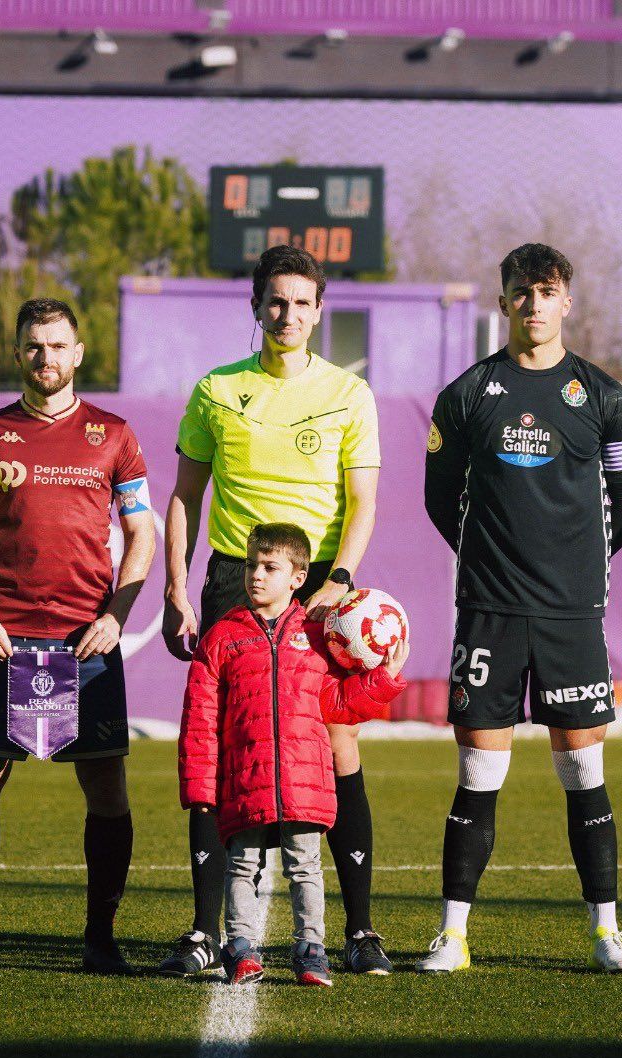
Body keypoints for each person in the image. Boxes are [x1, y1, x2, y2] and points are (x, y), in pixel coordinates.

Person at [161, 244, 392, 978]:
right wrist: (174, 585)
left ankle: (358, 931)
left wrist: (340, 581)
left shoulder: (349, 395)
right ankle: (205, 933)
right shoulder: (216, 390)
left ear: (319, 311)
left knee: (334, 746)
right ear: (256, 305)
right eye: (275, 300)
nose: (287, 313)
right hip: (234, 578)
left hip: (320, 586)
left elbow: (364, 504)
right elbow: (183, 498)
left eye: (301, 302)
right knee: (220, 752)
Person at [421, 243, 622, 974]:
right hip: (489, 609)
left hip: (571, 614)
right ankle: (452, 937)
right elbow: (439, 498)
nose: (534, 305)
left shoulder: (605, 398)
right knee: (478, 773)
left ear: (567, 302)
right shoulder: (465, 395)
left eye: (547, 293)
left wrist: (575, 567)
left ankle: (606, 935)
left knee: (584, 774)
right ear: (503, 303)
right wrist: (494, 561)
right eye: (521, 293)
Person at [0, 298, 155, 977]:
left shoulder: (113, 434)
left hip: (85, 642)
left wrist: (117, 614)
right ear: (18, 353)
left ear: (78, 352)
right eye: (34, 347)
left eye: (57, 346)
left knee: (106, 789)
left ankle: (100, 936)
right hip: (4, 639)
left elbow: (142, 532)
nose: (46, 358)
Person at [179, 523, 408, 987]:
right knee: (242, 866)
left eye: (269, 567)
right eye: (250, 566)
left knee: (305, 866)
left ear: (298, 579)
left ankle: (311, 949)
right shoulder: (221, 638)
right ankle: (239, 947)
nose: (256, 576)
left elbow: (339, 705)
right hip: (245, 780)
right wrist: (201, 789)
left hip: (306, 784)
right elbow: (200, 719)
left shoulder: (317, 637)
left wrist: (385, 678)